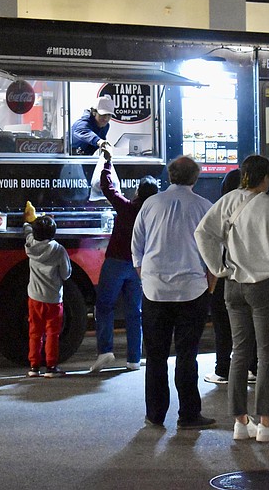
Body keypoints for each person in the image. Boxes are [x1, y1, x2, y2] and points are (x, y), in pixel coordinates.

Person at [195, 155, 269, 443]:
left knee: (239, 352)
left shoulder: (228, 201)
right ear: (266, 178)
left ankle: (241, 422)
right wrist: (266, 258)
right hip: (263, 285)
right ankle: (265, 424)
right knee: (265, 355)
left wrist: (218, 267)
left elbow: (202, 232)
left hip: (233, 284)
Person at [131, 156, 215, 429]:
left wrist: (147, 279)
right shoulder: (204, 207)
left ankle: (154, 414)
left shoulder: (150, 204)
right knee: (187, 354)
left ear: (170, 176)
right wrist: (209, 286)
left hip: (155, 291)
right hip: (192, 290)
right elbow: (214, 254)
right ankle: (189, 414)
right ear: (195, 178)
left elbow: (137, 250)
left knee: (155, 356)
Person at [90, 148, 159, 373]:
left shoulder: (127, 208)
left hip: (116, 263)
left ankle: (106, 351)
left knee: (104, 306)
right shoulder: (154, 215)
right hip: (140, 268)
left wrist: (108, 164)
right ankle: (133, 359)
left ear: (138, 191)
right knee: (134, 311)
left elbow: (108, 188)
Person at [204, 168, 258, 385]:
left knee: (223, 326)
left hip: (226, 276)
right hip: (253, 276)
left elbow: (205, 238)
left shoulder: (220, 210)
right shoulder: (257, 208)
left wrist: (216, 270)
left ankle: (223, 369)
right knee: (251, 325)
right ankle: (253, 368)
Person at [22, 203, 72, 379]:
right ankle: (51, 366)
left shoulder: (30, 246)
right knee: (52, 333)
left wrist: (30, 221)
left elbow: (28, 230)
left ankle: (34, 367)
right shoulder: (58, 250)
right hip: (53, 299)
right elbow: (66, 274)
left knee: (35, 332)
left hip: (34, 298)